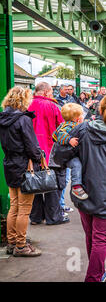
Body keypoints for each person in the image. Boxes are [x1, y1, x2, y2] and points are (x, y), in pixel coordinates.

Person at [57, 94, 106, 282]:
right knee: (101, 239)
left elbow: (61, 155)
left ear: (99, 110)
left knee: (91, 236)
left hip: (83, 191)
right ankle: (94, 277)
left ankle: (98, 272)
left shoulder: (83, 129)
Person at [0, 87, 43, 257]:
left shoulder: (3, 118)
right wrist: (39, 157)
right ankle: (21, 245)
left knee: (14, 206)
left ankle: (12, 242)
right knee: (24, 208)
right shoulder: (23, 119)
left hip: (9, 163)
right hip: (24, 165)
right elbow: (32, 147)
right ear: (23, 100)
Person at [28, 82, 69, 225]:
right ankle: (53, 216)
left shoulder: (28, 105)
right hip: (51, 152)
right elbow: (62, 129)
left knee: (35, 183)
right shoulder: (53, 106)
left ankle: (36, 217)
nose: (52, 95)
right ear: (46, 92)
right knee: (53, 185)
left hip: (32, 152)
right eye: (51, 92)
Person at [52, 103, 88, 200]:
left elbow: (53, 136)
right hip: (67, 156)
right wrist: (69, 139)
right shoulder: (69, 126)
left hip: (65, 155)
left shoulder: (63, 124)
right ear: (77, 118)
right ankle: (76, 186)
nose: (83, 117)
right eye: (81, 115)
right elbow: (59, 135)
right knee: (77, 165)